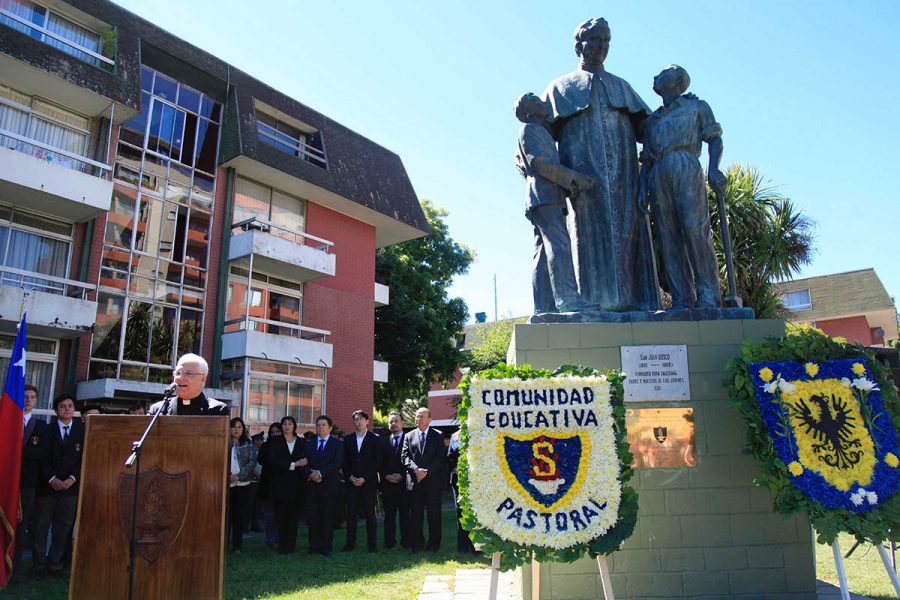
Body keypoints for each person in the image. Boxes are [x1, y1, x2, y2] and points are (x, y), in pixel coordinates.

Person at [542, 18, 658, 311]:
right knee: (585, 241)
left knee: (628, 238)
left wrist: (679, 106)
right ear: (579, 45)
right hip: (582, 186)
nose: (602, 46)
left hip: (624, 181)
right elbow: (534, 134)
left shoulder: (621, 86)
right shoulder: (560, 88)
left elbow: (651, 129)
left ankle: (633, 302)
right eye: (596, 40)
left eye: (606, 40)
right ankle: (590, 303)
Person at [641, 64, 725, 309]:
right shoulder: (653, 120)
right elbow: (645, 158)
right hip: (658, 171)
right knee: (668, 237)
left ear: (678, 80)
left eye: (663, 72)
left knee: (695, 230)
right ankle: (682, 298)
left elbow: (714, 138)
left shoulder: (696, 107)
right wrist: (641, 188)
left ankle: (708, 295)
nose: (656, 75)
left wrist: (714, 168)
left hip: (686, 163)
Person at [515, 92, 596, 313]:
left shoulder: (541, 131)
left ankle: (544, 306)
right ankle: (568, 299)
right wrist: (574, 178)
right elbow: (539, 164)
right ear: (529, 111)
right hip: (544, 195)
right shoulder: (530, 130)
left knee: (543, 253)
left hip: (545, 196)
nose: (543, 102)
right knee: (559, 245)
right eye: (537, 101)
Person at [31, 394, 83, 579]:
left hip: (70, 489)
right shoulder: (47, 429)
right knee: (41, 527)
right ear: (56, 410)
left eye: (70, 406)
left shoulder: (81, 430)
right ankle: (38, 566)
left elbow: (83, 458)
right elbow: (42, 458)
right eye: (62, 406)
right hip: (48, 488)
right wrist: (52, 478)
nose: (66, 409)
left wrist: (72, 478)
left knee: (63, 528)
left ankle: (56, 565)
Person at [10, 385, 47, 584]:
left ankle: (14, 572)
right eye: (24, 396)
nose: (28, 400)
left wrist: (17, 453)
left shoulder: (40, 426)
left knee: (21, 526)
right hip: (6, 481)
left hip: (27, 484)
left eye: (32, 397)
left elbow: (41, 454)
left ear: (36, 401)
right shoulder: (6, 420)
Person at [402, 407, 446, 553]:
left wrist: (425, 472)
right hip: (415, 483)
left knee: (434, 516)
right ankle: (417, 544)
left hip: (432, 482)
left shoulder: (438, 435)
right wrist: (416, 470)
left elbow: (440, 458)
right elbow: (405, 457)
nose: (418, 419)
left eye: (421, 416)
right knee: (415, 516)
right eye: (417, 416)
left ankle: (434, 545)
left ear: (429, 420)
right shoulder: (408, 436)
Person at [303, 415, 343, 556]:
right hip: (312, 486)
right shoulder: (309, 444)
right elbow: (303, 464)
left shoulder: (336, 444)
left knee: (327, 517)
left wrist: (320, 473)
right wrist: (310, 474)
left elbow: (337, 463)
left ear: (330, 428)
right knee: (313, 517)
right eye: (318, 425)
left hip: (329, 486)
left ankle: (326, 546)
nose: (320, 427)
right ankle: (313, 546)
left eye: (323, 425)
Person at [342, 410, 380, 553]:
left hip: (368, 483)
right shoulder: (347, 439)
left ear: (367, 422)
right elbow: (344, 461)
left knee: (370, 514)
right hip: (351, 483)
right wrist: (350, 476)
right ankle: (350, 543)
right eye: (356, 419)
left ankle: (372, 544)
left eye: (361, 419)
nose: (358, 422)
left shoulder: (375, 439)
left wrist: (364, 477)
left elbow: (377, 461)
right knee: (350, 513)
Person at [269, 416, 306, 554]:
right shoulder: (275, 441)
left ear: (294, 426)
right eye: (284, 424)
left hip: (296, 485)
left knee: (293, 517)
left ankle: (291, 546)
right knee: (281, 516)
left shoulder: (301, 442)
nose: (287, 426)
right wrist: (293, 464)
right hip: (280, 484)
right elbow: (273, 460)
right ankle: (282, 546)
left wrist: (303, 462)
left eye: (290, 424)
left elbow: (304, 458)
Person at [148, 354, 228, 416]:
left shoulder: (216, 410)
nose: (180, 378)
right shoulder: (158, 410)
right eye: (178, 373)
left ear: (203, 379)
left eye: (188, 373)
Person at [380, 412, 410, 550]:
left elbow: (412, 460)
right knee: (389, 515)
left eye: (396, 421)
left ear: (402, 423)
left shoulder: (409, 439)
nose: (393, 424)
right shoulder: (383, 441)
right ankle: (389, 542)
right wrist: (385, 475)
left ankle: (406, 541)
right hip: (387, 484)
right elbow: (379, 461)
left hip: (404, 484)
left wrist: (402, 475)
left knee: (405, 514)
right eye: (391, 422)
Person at [227, 417, 256, 553]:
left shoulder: (248, 444)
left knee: (239, 516)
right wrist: (227, 476)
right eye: (233, 426)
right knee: (226, 516)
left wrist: (238, 476)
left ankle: (237, 546)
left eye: (239, 427)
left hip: (243, 484)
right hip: (226, 484)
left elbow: (251, 463)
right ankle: (224, 545)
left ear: (243, 429)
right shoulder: (224, 443)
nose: (236, 429)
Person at [447, 430, 476, 553]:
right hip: (458, 480)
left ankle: (476, 547)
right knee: (461, 512)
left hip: (475, 480)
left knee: (476, 513)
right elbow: (450, 456)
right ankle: (463, 547)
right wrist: (455, 468)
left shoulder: (478, 432)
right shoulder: (455, 435)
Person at [255, 423, 282, 549]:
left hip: (282, 486)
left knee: (280, 515)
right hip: (267, 486)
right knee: (269, 515)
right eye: (273, 432)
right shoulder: (265, 446)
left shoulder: (286, 446)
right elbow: (261, 460)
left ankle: (279, 539)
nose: (275, 434)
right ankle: (270, 541)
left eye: (278, 431)